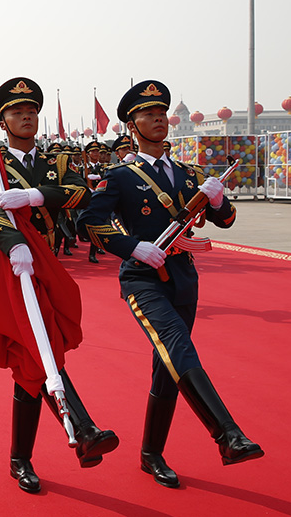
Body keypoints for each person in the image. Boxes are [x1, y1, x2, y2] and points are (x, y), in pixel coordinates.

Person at [77, 80, 262, 489]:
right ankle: (227, 434)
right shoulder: (120, 176)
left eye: (162, 113)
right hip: (143, 278)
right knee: (178, 346)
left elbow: (227, 220)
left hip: (183, 277)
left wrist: (217, 200)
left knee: (168, 367)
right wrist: (132, 247)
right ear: (132, 126)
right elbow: (88, 221)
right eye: (149, 114)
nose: (159, 119)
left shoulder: (187, 174)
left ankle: (151, 454)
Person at [0, 77, 118, 493]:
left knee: (31, 361)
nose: (26, 117)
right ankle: (84, 429)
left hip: (48, 262)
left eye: (31, 111)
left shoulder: (57, 161)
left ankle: (21, 458)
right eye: (17, 112)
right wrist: (12, 242)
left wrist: (35, 195)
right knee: (42, 348)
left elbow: (80, 193)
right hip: (12, 266)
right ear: (3, 121)